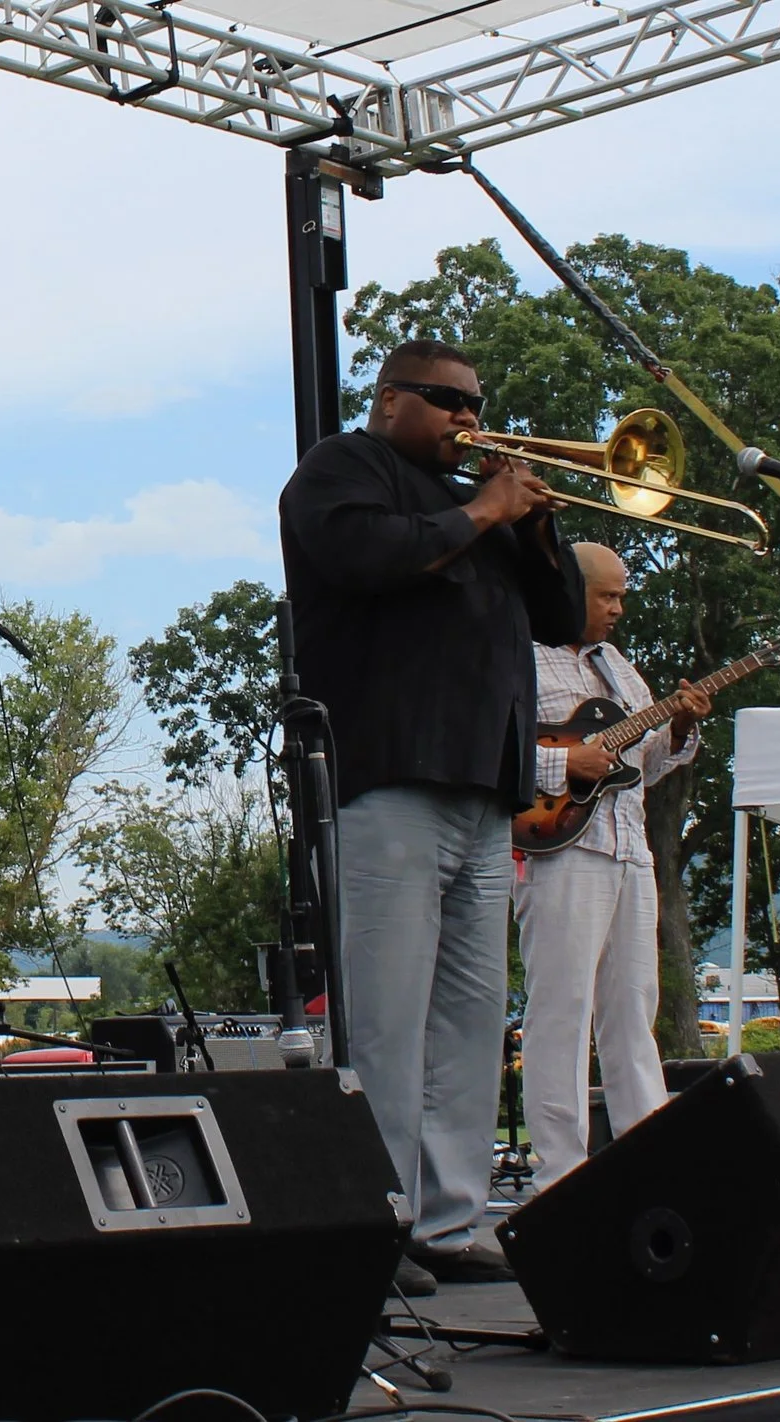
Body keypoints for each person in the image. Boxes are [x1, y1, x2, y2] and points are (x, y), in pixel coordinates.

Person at [279, 339, 585, 1294]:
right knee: (386, 1016)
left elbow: (566, 617)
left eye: (474, 401)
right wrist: (485, 507)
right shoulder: (344, 470)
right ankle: (381, 1219)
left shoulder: (484, 513)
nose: (466, 417)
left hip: (483, 789)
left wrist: (532, 530)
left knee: (469, 1016)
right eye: (448, 401)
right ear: (390, 401)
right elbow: (364, 557)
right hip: (391, 777)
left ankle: (453, 1220)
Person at [516, 542, 710, 1191]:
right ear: (571, 590)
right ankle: (563, 1180)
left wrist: (678, 732)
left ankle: (652, 1169)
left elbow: (645, 764)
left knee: (633, 1013)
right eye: (609, 596)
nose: (620, 608)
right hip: (565, 852)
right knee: (562, 1013)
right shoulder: (522, 655)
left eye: (623, 595)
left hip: (630, 853)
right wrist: (562, 764)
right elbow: (495, 744)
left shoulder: (620, 669)